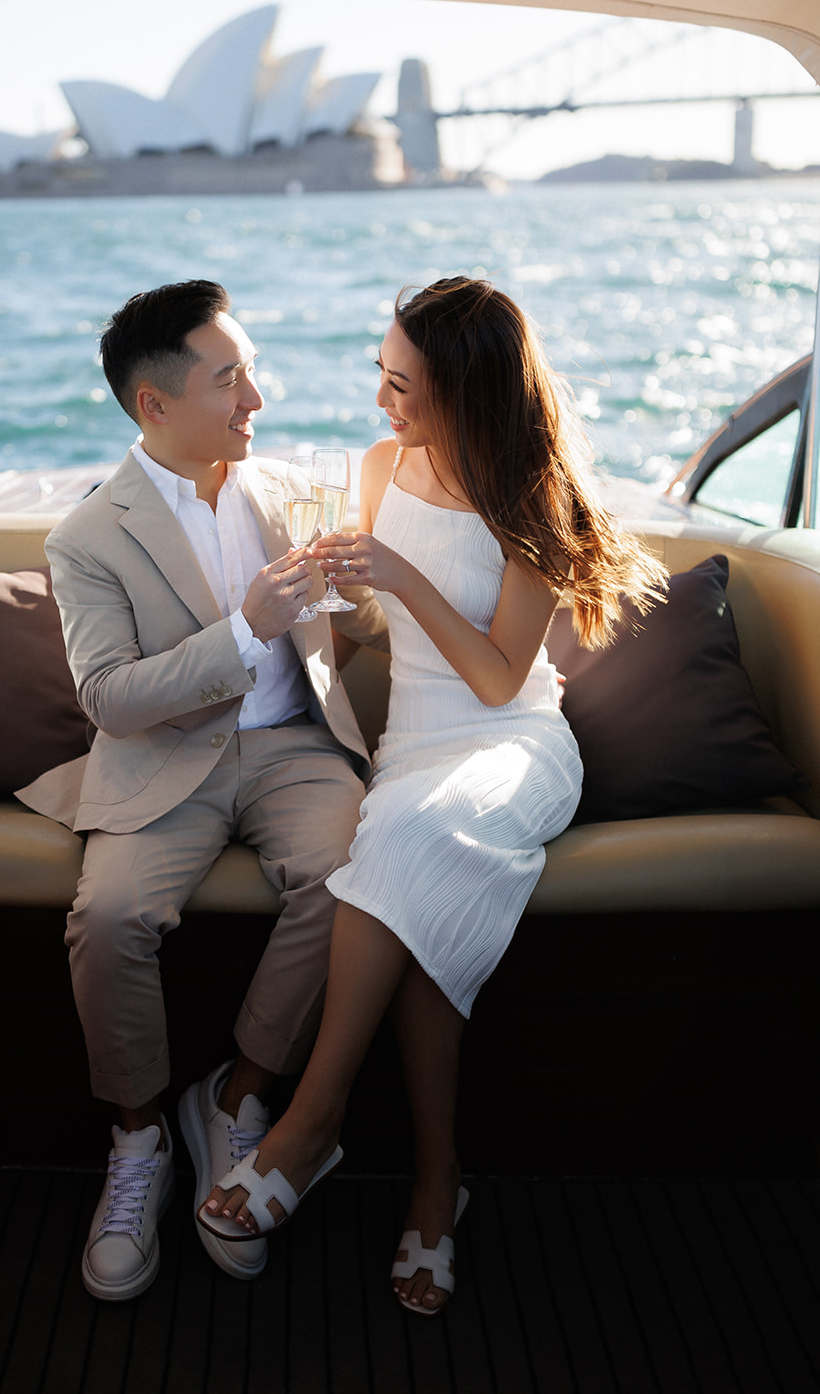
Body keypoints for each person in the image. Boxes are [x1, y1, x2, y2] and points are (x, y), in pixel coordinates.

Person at [197, 275, 668, 1315]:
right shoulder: (379, 468)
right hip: (412, 749)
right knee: (418, 877)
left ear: (462, 387)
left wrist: (400, 575)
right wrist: (338, 599)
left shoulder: (530, 497)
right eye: (380, 374)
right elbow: (382, 633)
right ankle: (434, 1181)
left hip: (512, 748)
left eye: (400, 384)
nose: (380, 400)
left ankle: (308, 1122)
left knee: (407, 840)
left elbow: (498, 679)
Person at [17, 278, 387, 1302]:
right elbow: (109, 697)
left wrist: (360, 593)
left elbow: (354, 632)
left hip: (294, 750)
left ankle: (237, 1098)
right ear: (154, 404)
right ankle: (137, 1140)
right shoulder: (87, 537)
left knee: (353, 878)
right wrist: (244, 629)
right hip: (164, 764)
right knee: (108, 918)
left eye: (250, 370)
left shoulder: (286, 490)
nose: (255, 398)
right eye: (229, 379)